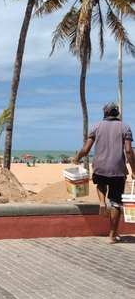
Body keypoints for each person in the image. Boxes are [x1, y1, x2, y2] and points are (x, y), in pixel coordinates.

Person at [72, 102, 135, 244]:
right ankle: (112, 235)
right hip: (117, 169)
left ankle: (101, 202)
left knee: (100, 184)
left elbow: (86, 149)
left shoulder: (96, 127)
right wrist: (134, 170)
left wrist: (78, 157)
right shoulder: (125, 127)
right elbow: (129, 151)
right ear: (117, 113)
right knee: (116, 203)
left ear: (105, 113)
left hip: (100, 167)